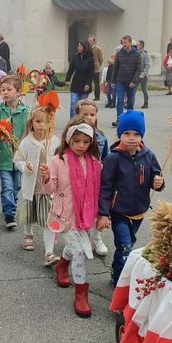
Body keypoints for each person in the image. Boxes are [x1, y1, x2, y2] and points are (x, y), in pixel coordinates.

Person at [40, 116, 102, 317]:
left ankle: (62, 265)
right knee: (80, 252)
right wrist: (46, 178)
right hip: (64, 217)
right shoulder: (58, 161)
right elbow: (50, 189)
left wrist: (102, 213)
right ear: (68, 139)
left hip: (85, 216)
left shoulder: (95, 163)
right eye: (76, 141)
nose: (81, 146)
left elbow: (99, 189)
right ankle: (81, 293)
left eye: (86, 141)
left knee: (74, 247)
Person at [98, 110, 164, 284]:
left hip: (139, 210)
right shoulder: (113, 158)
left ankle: (117, 268)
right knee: (125, 245)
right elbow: (105, 187)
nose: (132, 138)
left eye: (136, 134)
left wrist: (159, 182)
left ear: (142, 135)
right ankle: (120, 280)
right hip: (119, 211)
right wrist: (103, 213)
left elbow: (156, 176)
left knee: (128, 244)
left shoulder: (148, 156)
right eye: (127, 133)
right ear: (119, 134)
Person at [14, 106, 61, 263]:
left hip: (47, 187)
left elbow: (60, 160)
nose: (41, 125)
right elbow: (17, 159)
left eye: (45, 121)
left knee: (48, 218)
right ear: (31, 122)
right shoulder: (26, 142)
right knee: (29, 214)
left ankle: (49, 252)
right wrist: (25, 166)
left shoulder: (55, 141)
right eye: (38, 121)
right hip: (31, 186)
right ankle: (28, 234)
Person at [0, 74, 29, 228]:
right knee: (7, 186)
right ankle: (10, 215)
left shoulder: (25, 111)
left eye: (9, 89)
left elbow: (30, 131)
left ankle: (10, 202)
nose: (5, 92)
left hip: (20, 157)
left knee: (17, 185)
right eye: (3, 90)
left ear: (18, 92)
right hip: (4, 156)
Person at [75, 98, 109, 258]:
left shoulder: (101, 137)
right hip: (78, 179)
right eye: (85, 114)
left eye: (92, 114)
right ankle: (78, 236)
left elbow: (106, 159)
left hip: (95, 180)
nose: (89, 117)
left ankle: (96, 237)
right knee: (78, 208)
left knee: (95, 208)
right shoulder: (72, 136)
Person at [111, 35, 141, 124]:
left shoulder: (136, 54)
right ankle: (120, 119)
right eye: (122, 43)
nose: (123, 44)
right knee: (120, 100)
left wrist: (134, 81)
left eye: (125, 43)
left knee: (130, 101)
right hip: (120, 80)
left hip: (131, 81)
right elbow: (115, 68)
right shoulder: (119, 54)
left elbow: (138, 69)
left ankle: (129, 119)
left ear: (130, 43)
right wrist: (113, 81)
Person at [65, 40, 95, 117]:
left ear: (85, 47)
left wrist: (88, 84)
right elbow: (71, 69)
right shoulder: (76, 57)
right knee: (73, 104)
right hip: (75, 84)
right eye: (78, 46)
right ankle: (73, 121)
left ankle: (81, 121)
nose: (78, 48)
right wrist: (67, 79)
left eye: (80, 46)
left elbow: (91, 73)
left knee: (82, 106)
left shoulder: (90, 59)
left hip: (85, 85)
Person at [89, 35, 104, 101]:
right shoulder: (88, 48)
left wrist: (98, 65)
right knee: (88, 82)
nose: (89, 42)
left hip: (96, 69)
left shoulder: (98, 49)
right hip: (89, 69)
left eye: (90, 40)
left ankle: (97, 96)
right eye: (89, 40)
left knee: (96, 83)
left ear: (94, 41)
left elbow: (101, 59)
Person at [137, 40, 150, 109]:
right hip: (136, 74)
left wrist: (143, 74)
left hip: (143, 75)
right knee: (132, 89)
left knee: (144, 90)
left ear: (141, 45)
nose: (137, 46)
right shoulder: (136, 53)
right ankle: (129, 103)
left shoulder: (145, 54)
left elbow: (147, 65)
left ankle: (146, 103)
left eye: (138, 45)